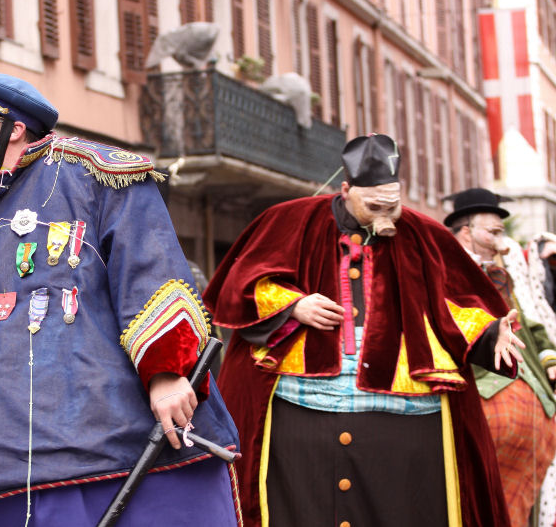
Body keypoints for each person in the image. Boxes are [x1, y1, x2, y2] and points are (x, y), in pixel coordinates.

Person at [0, 69, 240, 526]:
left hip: (70, 453)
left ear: (14, 128)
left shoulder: (96, 174)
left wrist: (167, 375)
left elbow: (152, 272)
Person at [203, 134, 523, 527]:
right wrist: (294, 305)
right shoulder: (289, 221)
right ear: (346, 189)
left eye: (393, 205)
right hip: (302, 395)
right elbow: (241, 284)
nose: (387, 216)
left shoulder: (425, 234)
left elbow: (455, 304)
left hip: (403, 394)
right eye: (374, 206)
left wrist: (491, 331)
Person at [446, 188, 556, 526]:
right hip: (482, 396)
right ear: (466, 231)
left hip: (536, 408)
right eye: (492, 231)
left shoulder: (501, 273)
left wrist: (550, 360)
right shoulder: (447, 270)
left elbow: (527, 322)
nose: (500, 239)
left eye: (501, 231)